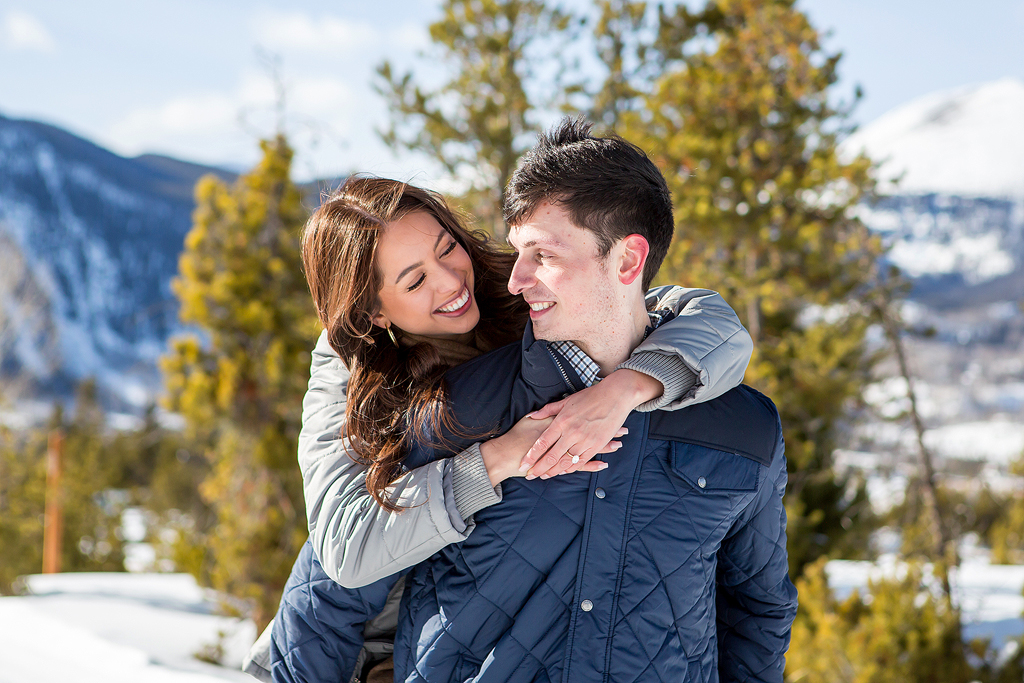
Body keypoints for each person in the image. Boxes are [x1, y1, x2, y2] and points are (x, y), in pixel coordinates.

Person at [252, 125, 772, 681]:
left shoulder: (517, 287)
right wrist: (497, 459)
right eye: (414, 280)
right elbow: (341, 557)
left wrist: (626, 389)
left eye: (447, 247)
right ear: (373, 313)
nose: (451, 281)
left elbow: (697, 317)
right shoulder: (359, 384)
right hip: (377, 640)